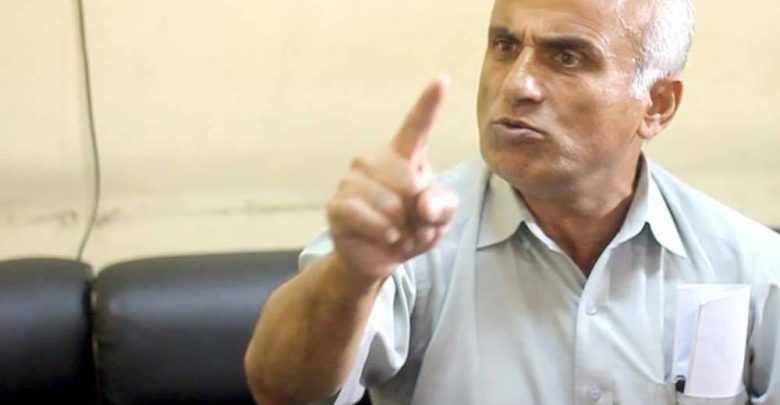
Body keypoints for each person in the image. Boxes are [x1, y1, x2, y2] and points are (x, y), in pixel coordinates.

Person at [244, 0, 780, 403]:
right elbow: (281, 390)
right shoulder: (409, 239)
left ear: (657, 105)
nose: (517, 84)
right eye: (504, 46)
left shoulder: (749, 266)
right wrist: (354, 274)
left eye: (566, 57)